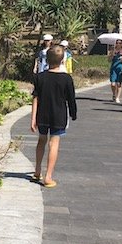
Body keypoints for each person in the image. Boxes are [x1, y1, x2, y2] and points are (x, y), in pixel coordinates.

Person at [30, 45, 77, 188]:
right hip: (59, 116)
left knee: (41, 141)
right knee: (54, 143)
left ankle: (37, 171)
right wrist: (73, 113)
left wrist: (33, 118)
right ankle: (49, 176)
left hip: (42, 115)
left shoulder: (40, 77)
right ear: (63, 60)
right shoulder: (66, 79)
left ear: (47, 59)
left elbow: (35, 98)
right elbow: (71, 99)